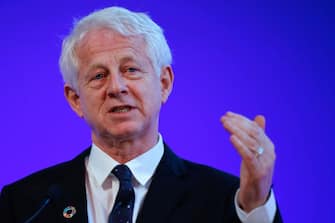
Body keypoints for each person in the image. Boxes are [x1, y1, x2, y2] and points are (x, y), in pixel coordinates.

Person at [0, 6, 282, 223]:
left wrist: (256, 206)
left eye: (131, 69)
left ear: (164, 83)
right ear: (75, 99)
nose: (116, 87)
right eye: (98, 75)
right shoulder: (26, 204)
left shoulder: (226, 199)